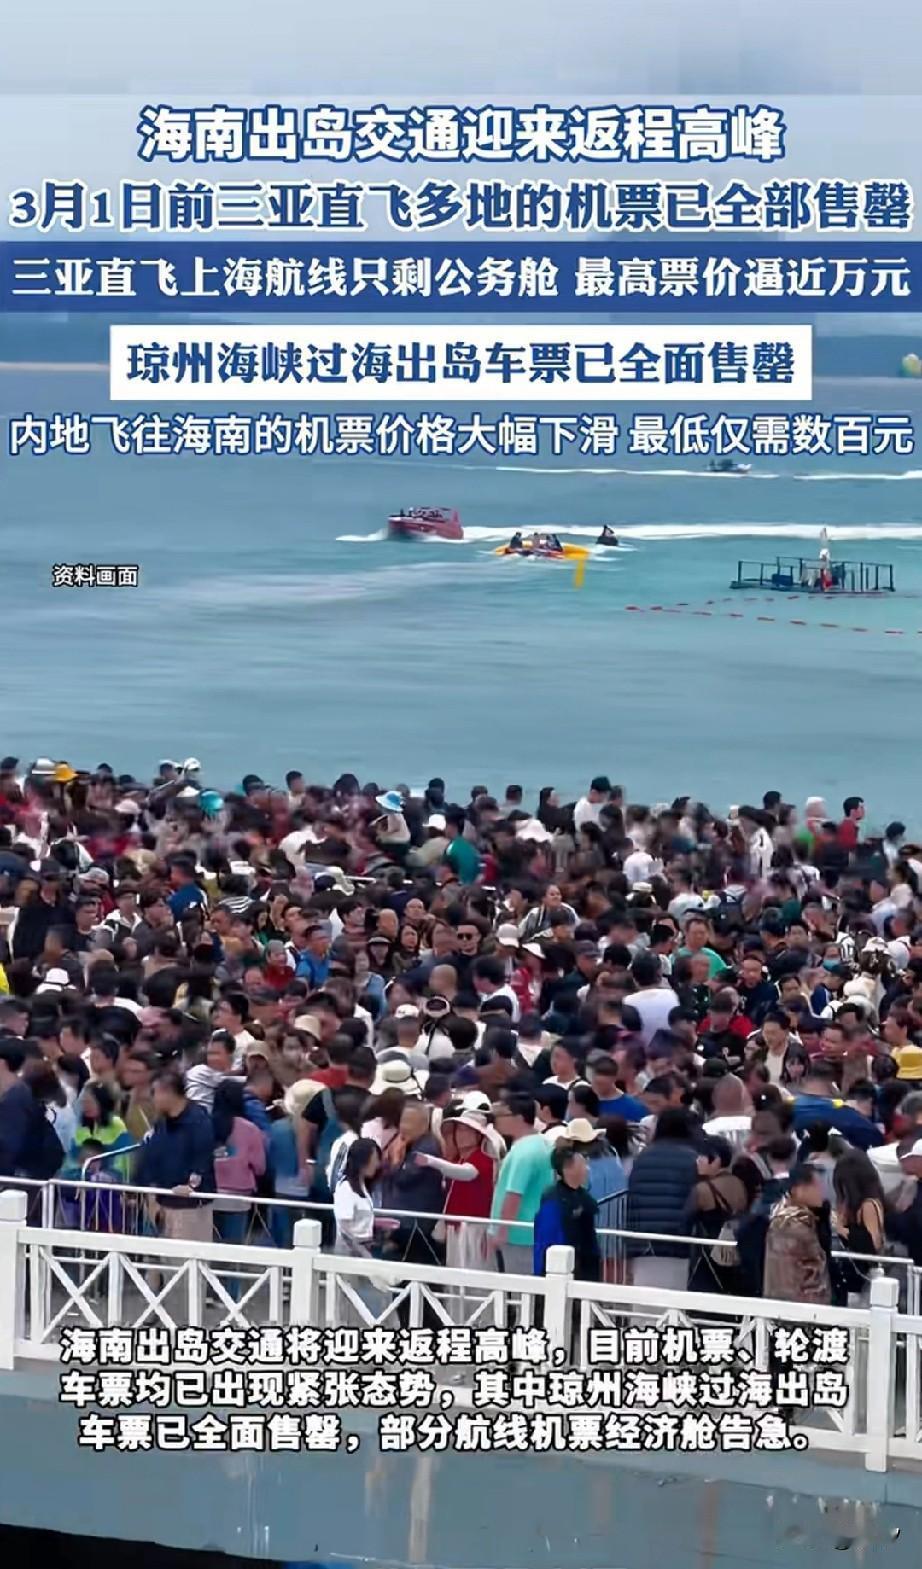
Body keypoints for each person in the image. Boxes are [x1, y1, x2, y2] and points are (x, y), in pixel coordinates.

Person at [135, 1067, 216, 1242]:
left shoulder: (199, 1121)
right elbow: (150, 1157)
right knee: (163, 1256)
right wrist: (144, 1188)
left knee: (188, 1256)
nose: (152, 1098)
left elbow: (203, 1159)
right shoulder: (161, 1123)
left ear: (167, 1092)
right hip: (162, 1202)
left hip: (189, 1206)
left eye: (154, 1092)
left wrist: (192, 1186)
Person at [625, 1107, 700, 1291]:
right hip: (678, 1240)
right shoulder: (692, 1158)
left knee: (644, 1296)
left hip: (642, 1238)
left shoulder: (643, 1157)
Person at [490, 1092, 554, 1274]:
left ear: (518, 1117)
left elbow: (514, 1194)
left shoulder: (522, 1153)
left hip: (518, 1234)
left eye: (502, 1115)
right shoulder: (544, 1143)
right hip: (535, 1229)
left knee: (520, 1285)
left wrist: (501, 1231)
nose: (496, 1121)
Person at [763, 1163, 832, 1304]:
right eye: (816, 1186)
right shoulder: (792, 1226)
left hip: (784, 1303)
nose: (822, 1192)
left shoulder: (785, 1219)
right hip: (799, 1306)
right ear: (798, 1190)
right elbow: (812, 1275)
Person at [533, 1142, 601, 1281]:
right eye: (581, 1165)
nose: (586, 1169)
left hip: (586, 1263)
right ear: (567, 1169)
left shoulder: (583, 1196)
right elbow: (548, 1237)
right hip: (562, 1266)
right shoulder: (553, 1199)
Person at [211, 1078, 267, 1246]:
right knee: (233, 1247)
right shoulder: (250, 1129)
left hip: (207, 1194)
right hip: (239, 1197)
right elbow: (260, 1167)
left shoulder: (203, 1124)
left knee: (209, 1246)